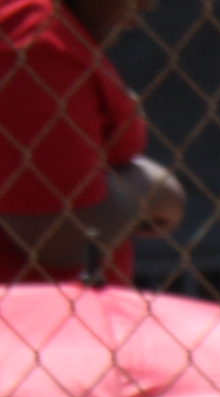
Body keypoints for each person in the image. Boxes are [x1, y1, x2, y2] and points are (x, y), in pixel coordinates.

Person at [0, 0, 175, 285]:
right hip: (37, 318)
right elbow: (59, 235)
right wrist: (150, 190)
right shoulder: (34, 37)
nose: (150, 4)